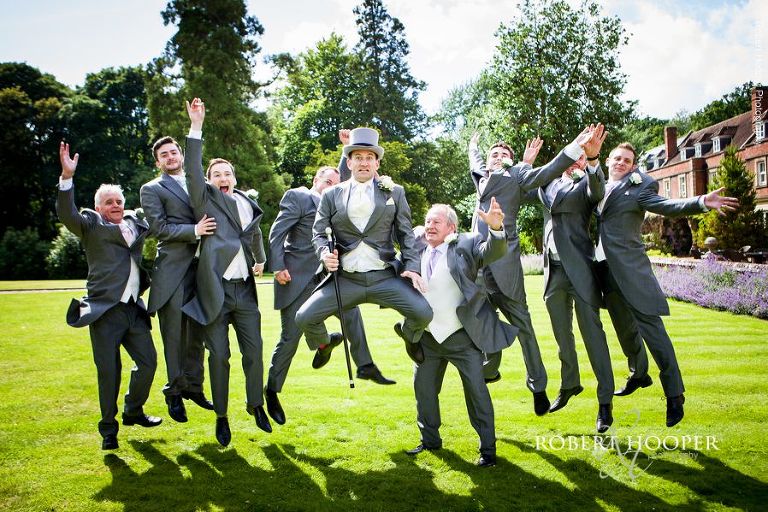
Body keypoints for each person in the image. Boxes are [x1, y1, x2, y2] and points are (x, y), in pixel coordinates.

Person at [596, 142, 739, 427]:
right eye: (617, 158)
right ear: (607, 161)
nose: (621, 163)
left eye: (627, 160)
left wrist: (700, 202)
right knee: (626, 334)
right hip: (604, 273)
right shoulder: (595, 187)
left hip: (634, 275)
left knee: (656, 337)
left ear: (633, 166)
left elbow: (666, 207)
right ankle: (639, 374)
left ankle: (675, 395)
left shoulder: (640, 188)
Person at [469, 125, 604, 415]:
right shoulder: (481, 177)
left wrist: (575, 147)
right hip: (476, 267)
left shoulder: (517, 174)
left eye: (504, 153)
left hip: (505, 264)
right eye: (495, 153)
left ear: (512, 159)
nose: (498, 156)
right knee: (481, 323)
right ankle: (490, 369)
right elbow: (475, 161)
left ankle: (538, 386)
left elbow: (549, 170)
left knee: (523, 327)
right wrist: (473, 144)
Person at [266, 165, 395, 425]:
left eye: (335, 183)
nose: (331, 186)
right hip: (297, 277)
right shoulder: (299, 197)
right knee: (289, 339)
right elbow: (277, 233)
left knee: (352, 315)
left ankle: (365, 364)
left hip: (330, 278)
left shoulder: (338, 206)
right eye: (326, 181)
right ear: (315, 180)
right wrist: (278, 265)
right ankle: (272, 391)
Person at [295, 127, 433, 366]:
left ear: (377, 163)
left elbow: (405, 233)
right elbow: (318, 232)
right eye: (358, 157)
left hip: (384, 277)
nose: (364, 163)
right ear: (349, 162)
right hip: (347, 279)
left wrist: (412, 267)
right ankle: (325, 343)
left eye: (370, 158)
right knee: (304, 318)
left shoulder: (395, 192)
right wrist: (324, 254)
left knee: (423, 313)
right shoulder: (331, 195)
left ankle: (409, 335)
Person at [56, 141, 161, 450]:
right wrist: (66, 178)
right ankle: (108, 430)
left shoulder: (135, 224)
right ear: (99, 206)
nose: (116, 205)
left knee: (149, 363)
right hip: (104, 312)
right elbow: (67, 214)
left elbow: (162, 225)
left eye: (119, 201)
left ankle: (133, 409)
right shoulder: (91, 224)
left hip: (134, 309)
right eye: (109, 202)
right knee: (109, 373)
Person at [181, 98, 271, 446]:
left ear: (235, 179)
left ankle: (255, 404)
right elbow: (191, 169)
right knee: (219, 356)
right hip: (214, 291)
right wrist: (196, 127)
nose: (223, 178)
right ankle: (221, 416)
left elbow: (255, 233)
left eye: (227, 174)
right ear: (209, 181)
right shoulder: (205, 199)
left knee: (255, 352)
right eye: (217, 174)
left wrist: (260, 259)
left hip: (245, 291)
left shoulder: (247, 202)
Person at [403, 201, 513, 467]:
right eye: (427, 221)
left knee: (477, 392)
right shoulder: (414, 248)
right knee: (424, 391)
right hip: (426, 337)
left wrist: (496, 229)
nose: (429, 226)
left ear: (451, 227)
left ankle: (488, 450)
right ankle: (430, 440)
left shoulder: (466, 244)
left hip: (462, 336)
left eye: (436, 222)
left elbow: (493, 251)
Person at [532, 145, 615, 433]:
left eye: (581, 157)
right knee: (561, 336)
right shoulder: (547, 183)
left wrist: (592, 162)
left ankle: (605, 403)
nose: (574, 161)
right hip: (552, 271)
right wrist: (526, 162)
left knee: (593, 336)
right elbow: (523, 182)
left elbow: (598, 190)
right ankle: (569, 383)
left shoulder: (586, 184)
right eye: (574, 156)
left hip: (580, 270)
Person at [140, 136, 215, 423]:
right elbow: (158, 228)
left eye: (173, 152)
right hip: (173, 271)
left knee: (198, 333)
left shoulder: (200, 183)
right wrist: (194, 230)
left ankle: (194, 387)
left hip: (203, 270)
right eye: (164, 155)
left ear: (181, 155)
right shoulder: (152, 188)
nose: (170, 157)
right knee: (174, 336)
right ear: (157, 162)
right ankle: (174, 392)